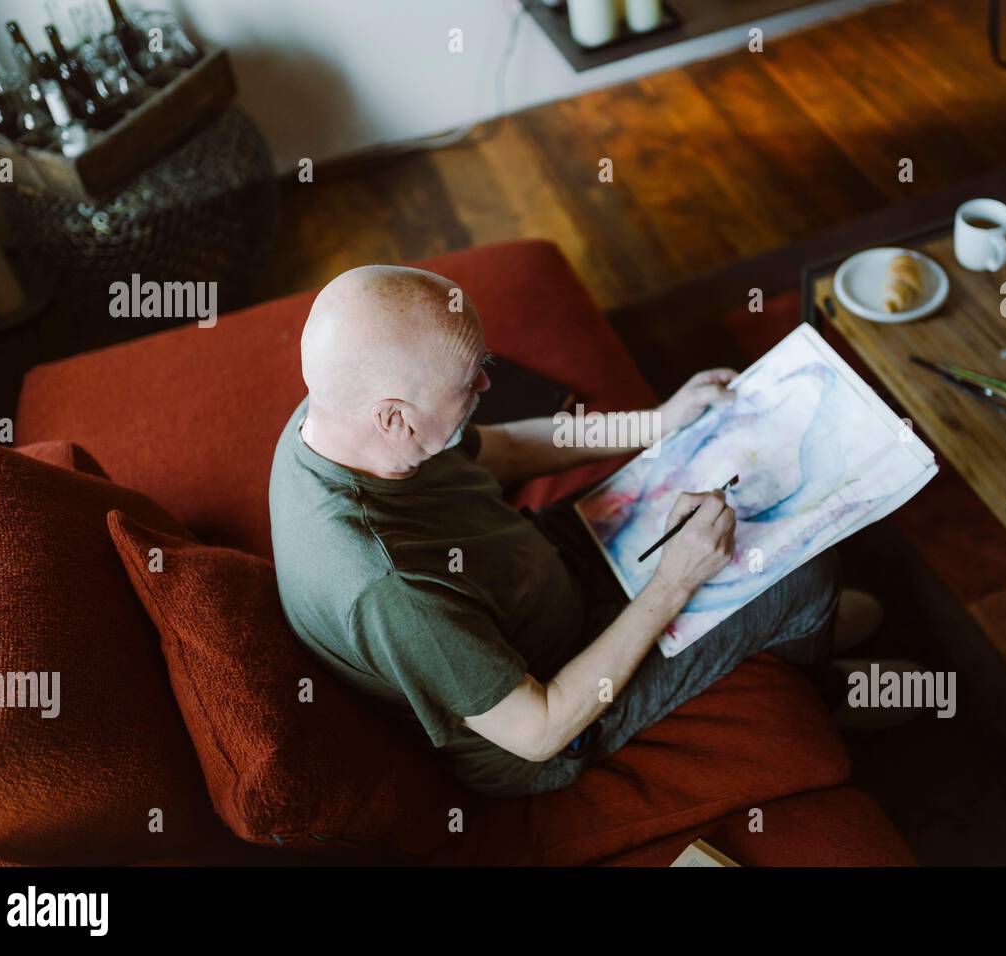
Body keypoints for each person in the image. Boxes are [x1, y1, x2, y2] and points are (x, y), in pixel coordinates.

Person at [269, 264, 883, 798]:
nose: (487, 385)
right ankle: (819, 674)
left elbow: (504, 449)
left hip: (537, 571)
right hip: (554, 701)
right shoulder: (386, 590)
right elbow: (538, 730)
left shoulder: (337, 417)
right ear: (394, 418)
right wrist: (673, 583)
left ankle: (804, 627)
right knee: (806, 577)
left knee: (726, 502)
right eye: (469, 381)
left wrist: (656, 423)